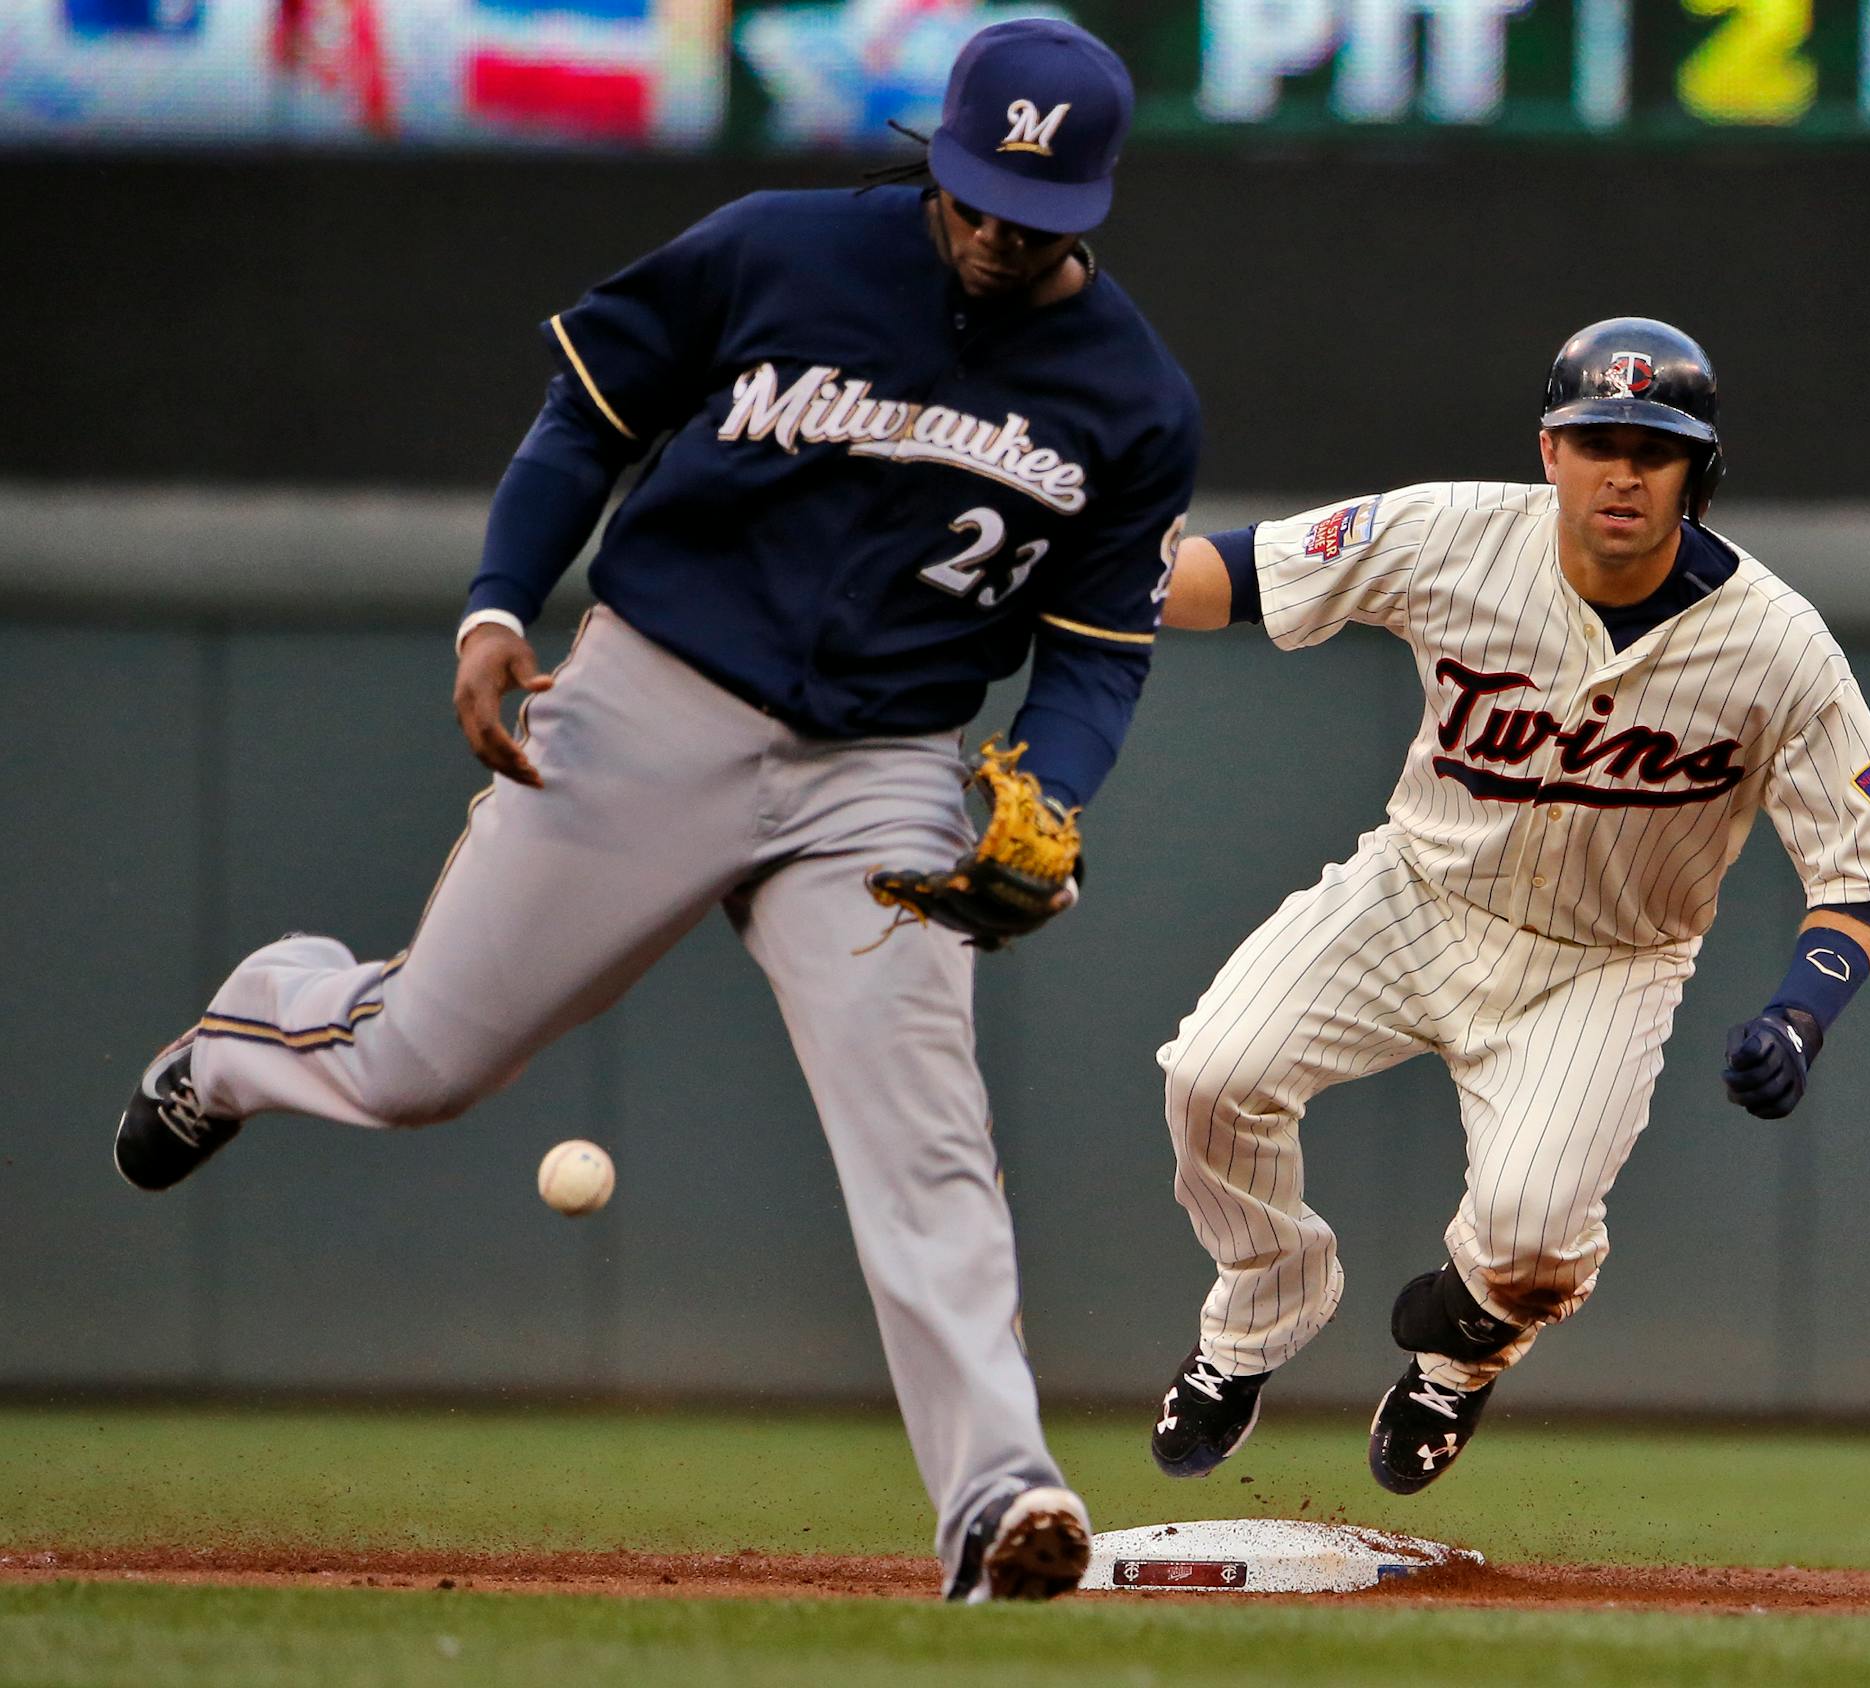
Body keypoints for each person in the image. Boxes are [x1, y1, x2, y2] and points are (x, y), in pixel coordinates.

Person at [111, 17, 1199, 1604]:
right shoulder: (777, 251)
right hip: (650, 699)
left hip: (883, 771)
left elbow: (1097, 658)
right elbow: (588, 422)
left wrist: (1056, 799)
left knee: (926, 1133)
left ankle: (998, 1499)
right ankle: (248, 1030)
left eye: (1033, 215)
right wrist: (497, 609)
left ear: (1090, 205)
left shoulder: (1135, 400)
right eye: (974, 198)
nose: (994, 233)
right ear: (939, 161)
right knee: (419, 1064)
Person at [1145, 318, 1870, 1493]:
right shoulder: (1450, 531)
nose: (1623, 468)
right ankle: (1259, 1308)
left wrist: (1801, 1013)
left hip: (1606, 963)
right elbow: (1236, 576)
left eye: (1653, 447)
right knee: (1211, 1071)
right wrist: (1116, 569)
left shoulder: (1779, 644)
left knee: (1530, 1242)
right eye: (1596, 438)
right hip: (1416, 891)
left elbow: (1867, 873)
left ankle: (1461, 1362)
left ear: (1696, 470)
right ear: (1548, 450)